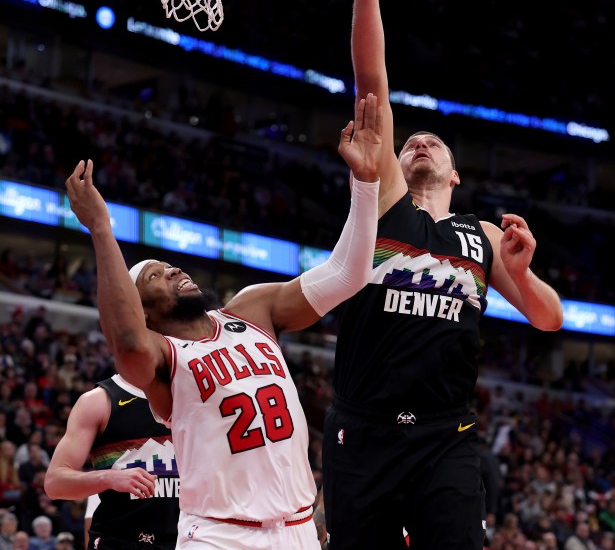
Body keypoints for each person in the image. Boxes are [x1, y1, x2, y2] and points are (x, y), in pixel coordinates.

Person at [318, 0, 564, 550]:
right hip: (364, 432)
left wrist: (526, 269)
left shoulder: (482, 235)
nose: (420, 141)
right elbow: (372, 83)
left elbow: (549, 319)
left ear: (455, 177)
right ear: (395, 161)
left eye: (435, 143)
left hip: (445, 436)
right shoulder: (385, 204)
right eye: (411, 141)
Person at [64, 95, 383, 550]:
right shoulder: (161, 358)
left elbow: (347, 274)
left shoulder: (251, 309)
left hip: (297, 530)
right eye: (156, 274)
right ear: (146, 311)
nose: (174, 270)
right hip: (219, 535)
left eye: (171, 265)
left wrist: (366, 181)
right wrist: (101, 229)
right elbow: (128, 339)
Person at [44, 374, 180, 550]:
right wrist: (109, 478)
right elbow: (54, 482)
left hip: (189, 538)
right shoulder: (98, 401)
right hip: (119, 540)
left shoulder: (194, 395)